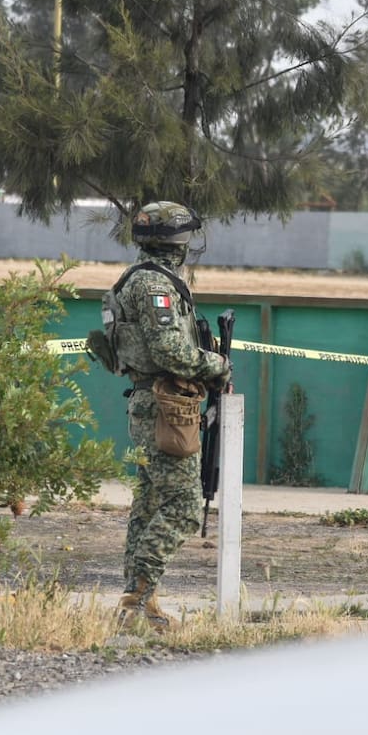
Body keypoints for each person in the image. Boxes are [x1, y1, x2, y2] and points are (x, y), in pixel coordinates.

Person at [109, 201, 231, 632]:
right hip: (165, 406)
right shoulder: (154, 287)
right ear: (179, 241)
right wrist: (216, 365)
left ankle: (142, 605)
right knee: (182, 507)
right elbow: (169, 352)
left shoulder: (145, 280)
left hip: (156, 402)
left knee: (148, 506)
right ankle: (135, 599)